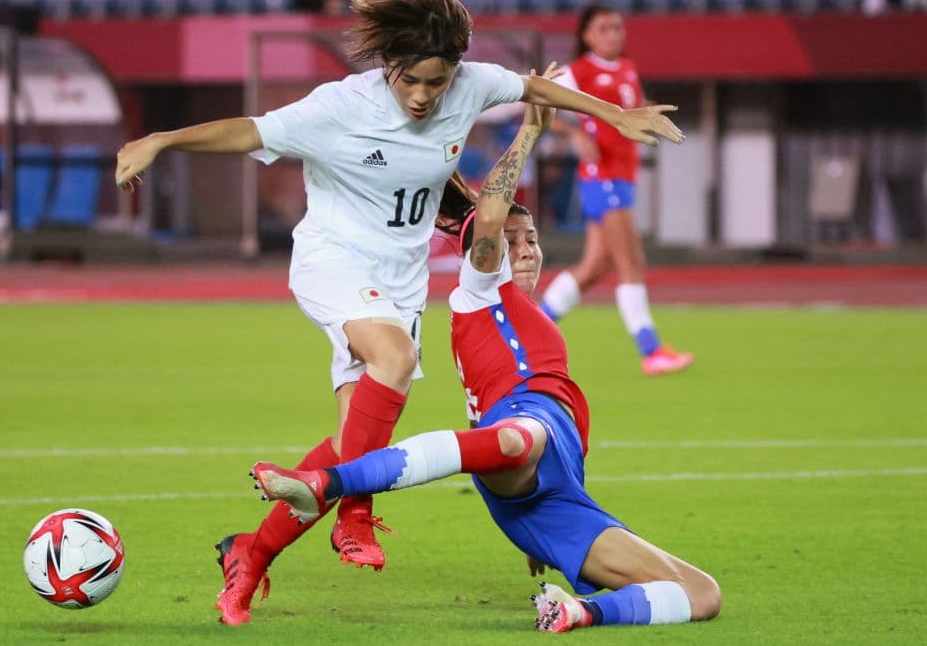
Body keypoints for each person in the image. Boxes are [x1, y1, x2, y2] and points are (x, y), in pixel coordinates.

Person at [114, 0, 684, 626]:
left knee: (349, 439)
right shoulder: (339, 106)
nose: (422, 95)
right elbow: (249, 131)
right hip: (334, 261)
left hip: (399, 283)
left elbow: (535, 89)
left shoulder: (469, 85)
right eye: (410, 81)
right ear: (389, 66)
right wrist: (161, 139)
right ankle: (356, 515)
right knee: (396, 356)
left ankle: (250, 557)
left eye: (435, 84)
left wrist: (615, 116)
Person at [251, 87, 720, 631]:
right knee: (515, 438)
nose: (523, 249)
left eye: (533, 240)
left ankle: (578, 612)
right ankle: (330, 484)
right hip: (522, 436)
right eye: (511, 240)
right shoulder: (481, 292)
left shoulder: (525, 318)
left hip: (557, 496)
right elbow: (490, 216)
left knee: (702, 593)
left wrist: (544, 529)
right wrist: (530, 132)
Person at [538, 3, 693, 376]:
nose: (613, 34)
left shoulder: (627, 69)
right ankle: (651, 351)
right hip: (602, 177)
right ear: (587, 35)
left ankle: (533, 329)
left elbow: (630, 111)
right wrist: (574, 132)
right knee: (631, 263)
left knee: (592, 268)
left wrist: (648, 114)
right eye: (604, 28)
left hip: (622, 175)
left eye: (617, 28)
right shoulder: (578, 72)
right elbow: (540, 101)